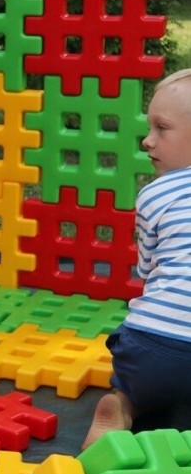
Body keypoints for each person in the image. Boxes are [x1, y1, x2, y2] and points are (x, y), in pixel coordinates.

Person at [83, 68, 191, 447]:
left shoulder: (156, 194)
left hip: (150, 346)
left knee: (140, 388)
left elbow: (148, 270)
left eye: (162, 129)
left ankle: (123, 405)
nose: (147, 141)